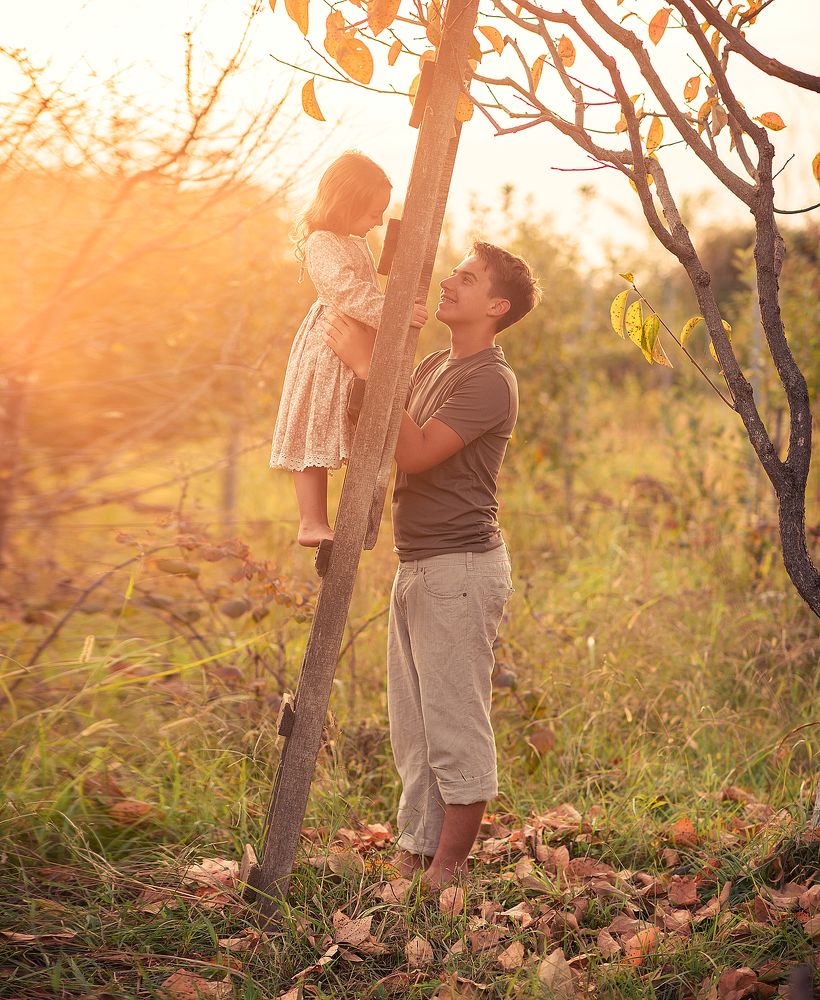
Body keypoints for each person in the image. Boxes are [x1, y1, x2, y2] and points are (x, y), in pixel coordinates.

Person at [323, 240, 541, 886]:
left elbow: (414, 453)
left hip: (461, 570)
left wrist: (370, 367)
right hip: (417, 563)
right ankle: (412, 854)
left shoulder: (491, 382)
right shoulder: (430, 367)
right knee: (413, 730)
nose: (450, 280)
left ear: (496, 306)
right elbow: (381, 431)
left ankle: (446, 872)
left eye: (467, 279)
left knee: (452, 726)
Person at [270, 151, 427, 547]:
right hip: (329, 344)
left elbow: (367, 289)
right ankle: (310, 522)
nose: (377, 221)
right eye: (373, 212)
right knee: (313, 425)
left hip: (355, 344)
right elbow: (346, 292)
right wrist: (396, 314)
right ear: (346, 203)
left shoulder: (356, 243)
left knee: (346, 423)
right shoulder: (321, 242)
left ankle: (350, 512)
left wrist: (392, 313)